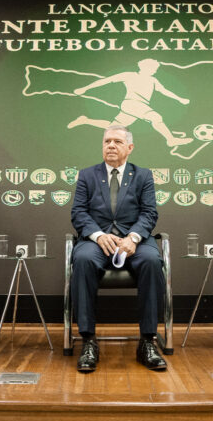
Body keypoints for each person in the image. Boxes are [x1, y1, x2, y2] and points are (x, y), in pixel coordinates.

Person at [69, 125, 167, 372]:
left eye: (117, 141)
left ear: (129, 148)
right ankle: (88, 340)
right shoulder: (87, 175)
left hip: (134, 242)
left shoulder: (143, 176)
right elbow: (78, 212)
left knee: (152, 261)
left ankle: (147, 341)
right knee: (82, 260)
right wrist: (99, 236)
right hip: (96, 242)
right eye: (107, 141)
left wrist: (132, 238)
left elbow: (149, 213)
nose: (111, 145)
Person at [67, 58, 193, 146]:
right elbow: (106, 80)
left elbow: (164, 91)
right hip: (132, 103)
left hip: (138, 106)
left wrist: (179, 99)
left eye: (156, 69)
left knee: (114, 126)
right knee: (156, 117)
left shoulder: (153, 80)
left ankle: (84, 120)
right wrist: (85, 88)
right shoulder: (129, 75)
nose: (155, 71)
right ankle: (171, 140)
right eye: (153, 68)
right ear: (144, 67)